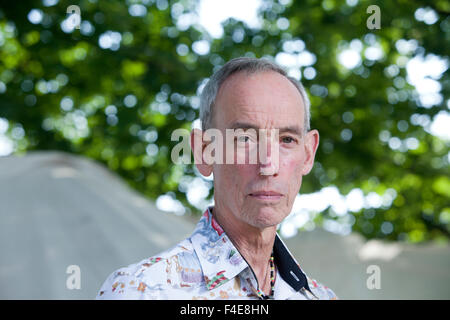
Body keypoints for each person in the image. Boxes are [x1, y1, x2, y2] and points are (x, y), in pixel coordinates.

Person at [96, 57, 338, 300]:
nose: (268, 165)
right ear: (204, 151)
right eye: (244, 138)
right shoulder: (142, 291)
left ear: (308, 154)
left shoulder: (322, 298)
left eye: (287, 140)